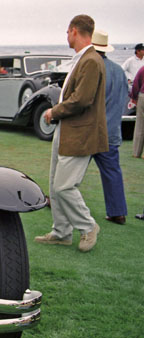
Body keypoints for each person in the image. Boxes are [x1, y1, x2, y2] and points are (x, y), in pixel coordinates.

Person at [35, 14, 108, 253]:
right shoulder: (84, 59)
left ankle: (87, 226)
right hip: (67, 131)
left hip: (79, 133)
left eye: (67, 32)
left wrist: (54, 111)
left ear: (74, 30)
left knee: (65, 186)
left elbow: (82, 100)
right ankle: (61, 232)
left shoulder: (90, 60)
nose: (67, 36)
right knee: (55, 185)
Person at [91, 30, 128, 225]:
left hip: (91, 132)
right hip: (112, 131)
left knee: (70, 172)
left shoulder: (92, 68)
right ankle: (117, 212)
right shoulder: (119, 70)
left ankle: (58, 204)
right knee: (113, 172)